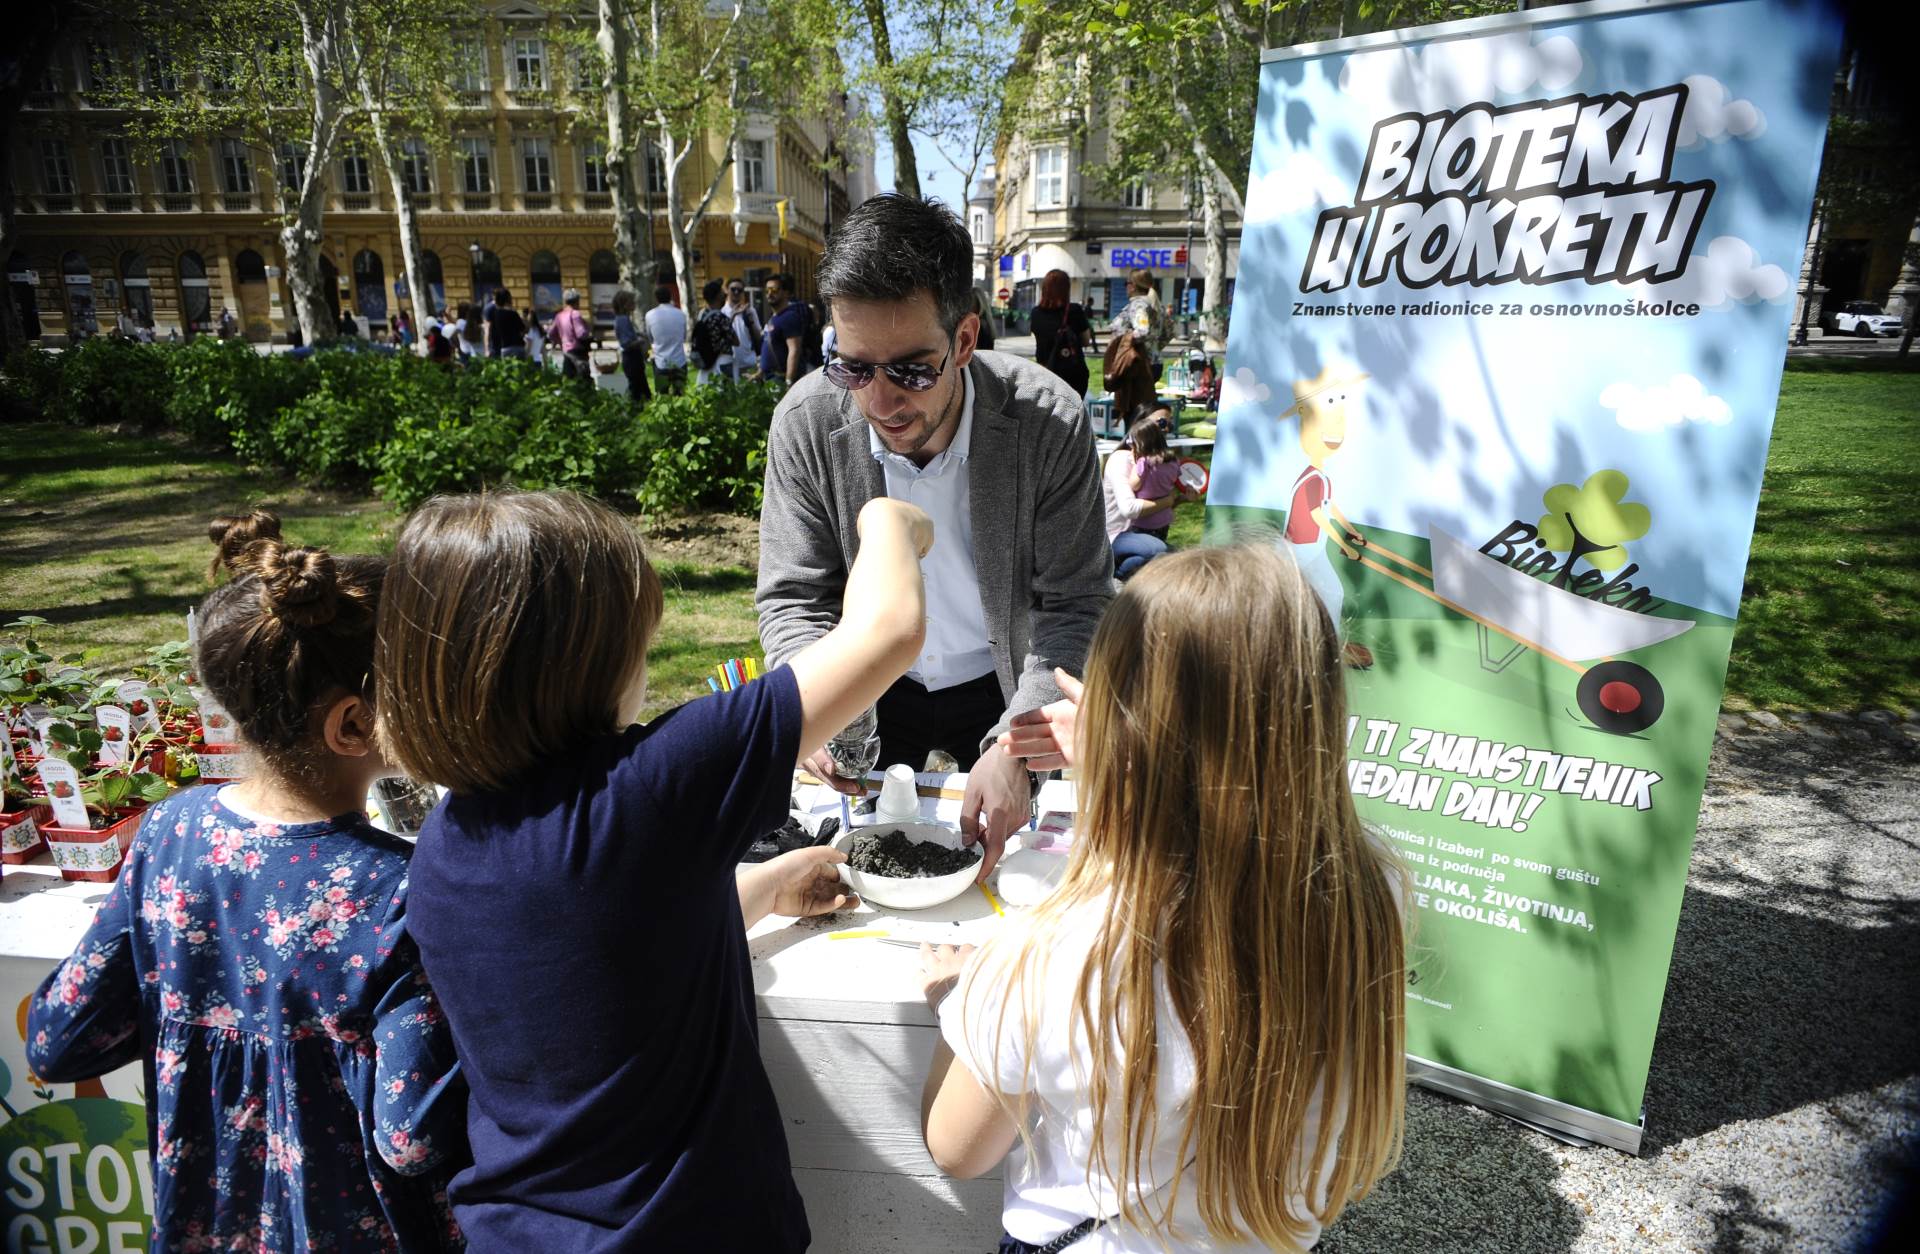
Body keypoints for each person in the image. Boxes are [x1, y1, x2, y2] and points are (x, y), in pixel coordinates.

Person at [372, 487, 935, 1250]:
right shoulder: (652, 787)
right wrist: (885, 516)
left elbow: (596, 952)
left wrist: (766, 887)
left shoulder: (448, 840)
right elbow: (889, 631)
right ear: (591, 661)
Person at [923, 545, 1408, 1254]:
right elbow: (1217, 818)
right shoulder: (1370, 892)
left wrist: (958, 1003)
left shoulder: (1046, 956)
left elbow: (956, 1148)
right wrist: (1124, 753)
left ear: (1129, 736)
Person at [27, 533, 469, 1251]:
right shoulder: (400, 891)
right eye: (423, 683)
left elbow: (56, 1040)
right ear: (353, 724)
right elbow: (411, 1138)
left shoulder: (170, 833)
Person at [757, 193, 1112, 879]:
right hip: (866, 684)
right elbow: (794, 597)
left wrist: (1018, 741)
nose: (880, 402)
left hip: (1000, 677)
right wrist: (813, 703)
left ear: (966, 340)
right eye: (854, 367)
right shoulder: (805, 421)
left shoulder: (1049, 423)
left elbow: (1074, 604)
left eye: (912, 371)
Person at [1102, 404, 1182, 580]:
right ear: (1139, 424)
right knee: (1160, 552)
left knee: (1159, 558)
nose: (1166, 428)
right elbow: (1129, 509)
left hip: (1142, 534)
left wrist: (1181, 498)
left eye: (1170, 424)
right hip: (1117, 536)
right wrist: (1167, 502)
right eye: (1161, 422)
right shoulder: (1122, 459)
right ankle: (1110, 569)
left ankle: (1119, 571)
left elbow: (1157, 500)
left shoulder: (1158, 462)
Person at [1028, 269, 1091, 398]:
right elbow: (1086, 341)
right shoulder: (1075, 310)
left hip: (1046, 372)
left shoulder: (1036, 313)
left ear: (1044, 289)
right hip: (1073, 376)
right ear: (1066, 289)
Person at [1125, 416, 1181, 544]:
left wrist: (1134, 464)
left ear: (1141, 443)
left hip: (1145, 521)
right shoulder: (1173, 461)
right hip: (1164, 519)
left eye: (1131, 443)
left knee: (1142, 552)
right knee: (1158, 547)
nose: (1130, 447)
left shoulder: (1144, 462)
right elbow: (1174, 482)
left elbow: (1134, 485)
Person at [758, 272, 813, 388]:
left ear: (786, 293)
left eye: (774, 290)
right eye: (767, 290)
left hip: (781, 379)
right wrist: (760, 372)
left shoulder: (789, 317)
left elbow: (794, 350)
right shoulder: (775, 317)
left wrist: (789, 381)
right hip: (770, 378)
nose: (769, 294)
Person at [1116, 268, 1172, 377]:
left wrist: (1125, 341)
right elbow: (1170, 331)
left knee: (1133, 394)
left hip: (1137, 363)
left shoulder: (1138, 305)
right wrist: (1155, 347)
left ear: (1132, 286)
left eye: (1126, 283)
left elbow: (1142, 331)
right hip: (1155, 361)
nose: (1126, 287)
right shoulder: (1158, 306)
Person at [645, 282, 690, 394]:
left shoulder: (650, 315)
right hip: (679, 361)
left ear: (656, 298)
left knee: (662, 398)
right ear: (671, 296)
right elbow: (684, 337)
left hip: (661, 362)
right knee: (680, 396)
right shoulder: (681, 314)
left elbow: (650, 338)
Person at [692, 278, 737, 384]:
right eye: (722, 292)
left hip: (707, 361)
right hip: (723, 362)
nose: (725, 294)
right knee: (726, 395)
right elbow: (736, 341)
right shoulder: (721, 318)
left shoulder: (703, 314)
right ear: (718, 296)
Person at [612, 289, 651, 403]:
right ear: (625, 305)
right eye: (632, 302)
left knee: (641, 390)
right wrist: (640, 341)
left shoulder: (623, 318)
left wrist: (638, 334)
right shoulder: (623, 320)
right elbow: (627, 343)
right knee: (637, 392)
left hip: (633, 359)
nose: (634, 304)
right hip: (631, 358)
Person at [553, 288, 594, 381]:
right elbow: (581, 334)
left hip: (566, 353)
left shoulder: (559, 316)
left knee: (569, 381)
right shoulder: (575, 314)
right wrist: (589, 331)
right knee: (584, 382)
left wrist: (560, 342)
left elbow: (552, 334)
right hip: (578, 353)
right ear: (577, 301)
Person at [728, 279, 762, 382]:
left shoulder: (750, 311)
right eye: (733, 289)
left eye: (739, 290)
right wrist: (732, 316)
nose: (736, 292)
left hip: (749, 363)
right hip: (730, 363)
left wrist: (750, 319)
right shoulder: (722, 311)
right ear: (727, 291)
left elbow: (758, 337)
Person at [490, 289, 528, 359]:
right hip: (517, 346)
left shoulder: (496, 314)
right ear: (508, 299)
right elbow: (523, 329)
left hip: (504, 347)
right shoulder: (513, 313)